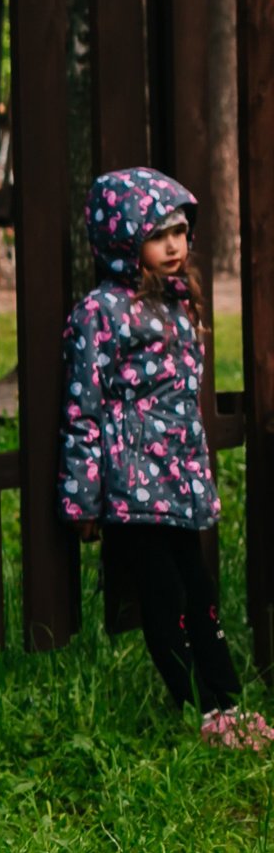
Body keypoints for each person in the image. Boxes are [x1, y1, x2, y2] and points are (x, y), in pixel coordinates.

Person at [62, 168, 272, 747]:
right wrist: (82, 500)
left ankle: (230, 705)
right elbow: (82, 408)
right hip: (132, 487)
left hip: (178, 481)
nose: (175, 245)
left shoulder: (177, 303)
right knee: (166, 599)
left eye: (180, 231)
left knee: (201, 591)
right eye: (158, 235)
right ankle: (202, 715)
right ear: (123, 240)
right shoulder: (100, 313)